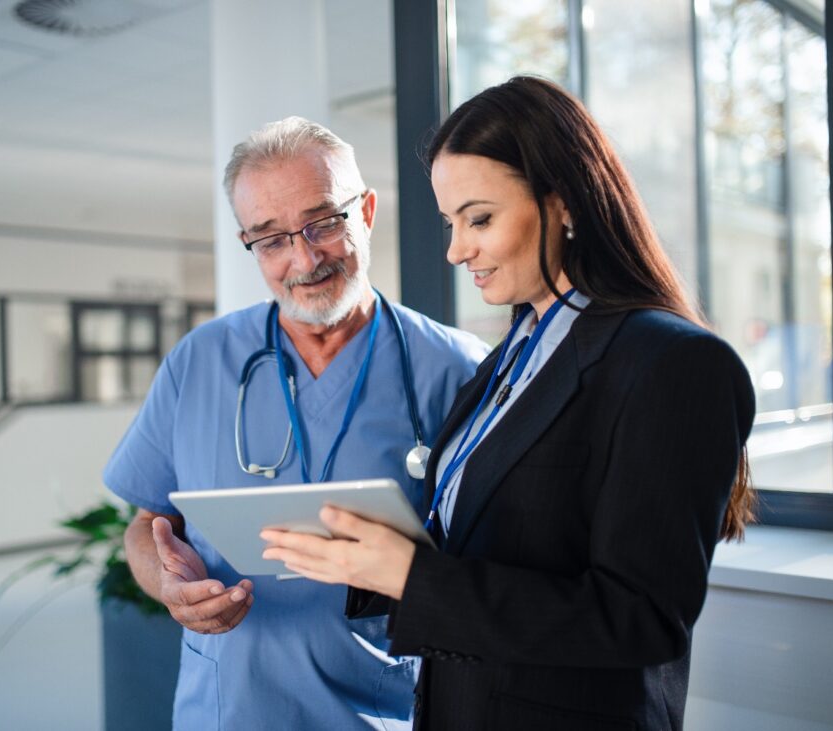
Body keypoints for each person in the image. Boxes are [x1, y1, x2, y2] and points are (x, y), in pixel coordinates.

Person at [260, 77, 757, 731]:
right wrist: (375, 553)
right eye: (450, 222)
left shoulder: (671, 363)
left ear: (564, 204)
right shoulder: (514, 353)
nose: (456, 249)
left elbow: (640, 620)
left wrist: (415, 576)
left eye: (480, 218)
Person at [102, 116, 487, 730]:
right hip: (227, 710)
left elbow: (491, 563)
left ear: (365, 210)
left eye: (323, 223)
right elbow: (147, 523)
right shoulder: (199, 361)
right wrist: (169, 586)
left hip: (385, 708)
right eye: (271, 239)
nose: (303, 259)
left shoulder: (454, 368)